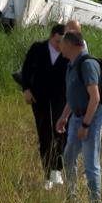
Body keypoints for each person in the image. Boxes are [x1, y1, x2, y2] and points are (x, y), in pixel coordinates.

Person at [55, 31, 102, 203]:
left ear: (71, 45)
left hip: (90, 119)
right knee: (69, 158)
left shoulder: (88, 65)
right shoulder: (71, 65)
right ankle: (72, 197)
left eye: (62, 44)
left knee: (90, 163)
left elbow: (95, 98)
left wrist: (86, 125)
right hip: (76, 117)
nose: (59, 47)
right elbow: (74, 95)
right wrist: (64, 116)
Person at [20, 23, 68, 189]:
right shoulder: (38, 48)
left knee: (60, 133)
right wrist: (25, 89)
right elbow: (25, 70)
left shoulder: (67, 53)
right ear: (51, 36)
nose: (60, 45)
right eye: (57, 41)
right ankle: (47, 175)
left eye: (63, 41)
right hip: (39, 99)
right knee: (45, 135)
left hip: (60, 99)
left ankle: (57, 170)